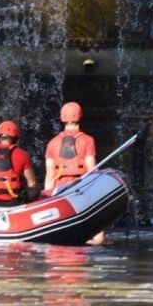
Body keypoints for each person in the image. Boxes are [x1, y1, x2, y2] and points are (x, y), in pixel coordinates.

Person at [45, 102, 104, 245]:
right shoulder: (87, 140)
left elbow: (50, 175)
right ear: (80, 117)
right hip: (81, 188)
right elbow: (92, 169)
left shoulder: (52, 143)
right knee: (99, 238)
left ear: (62, 118)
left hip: (59, 189)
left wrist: (46, 196)